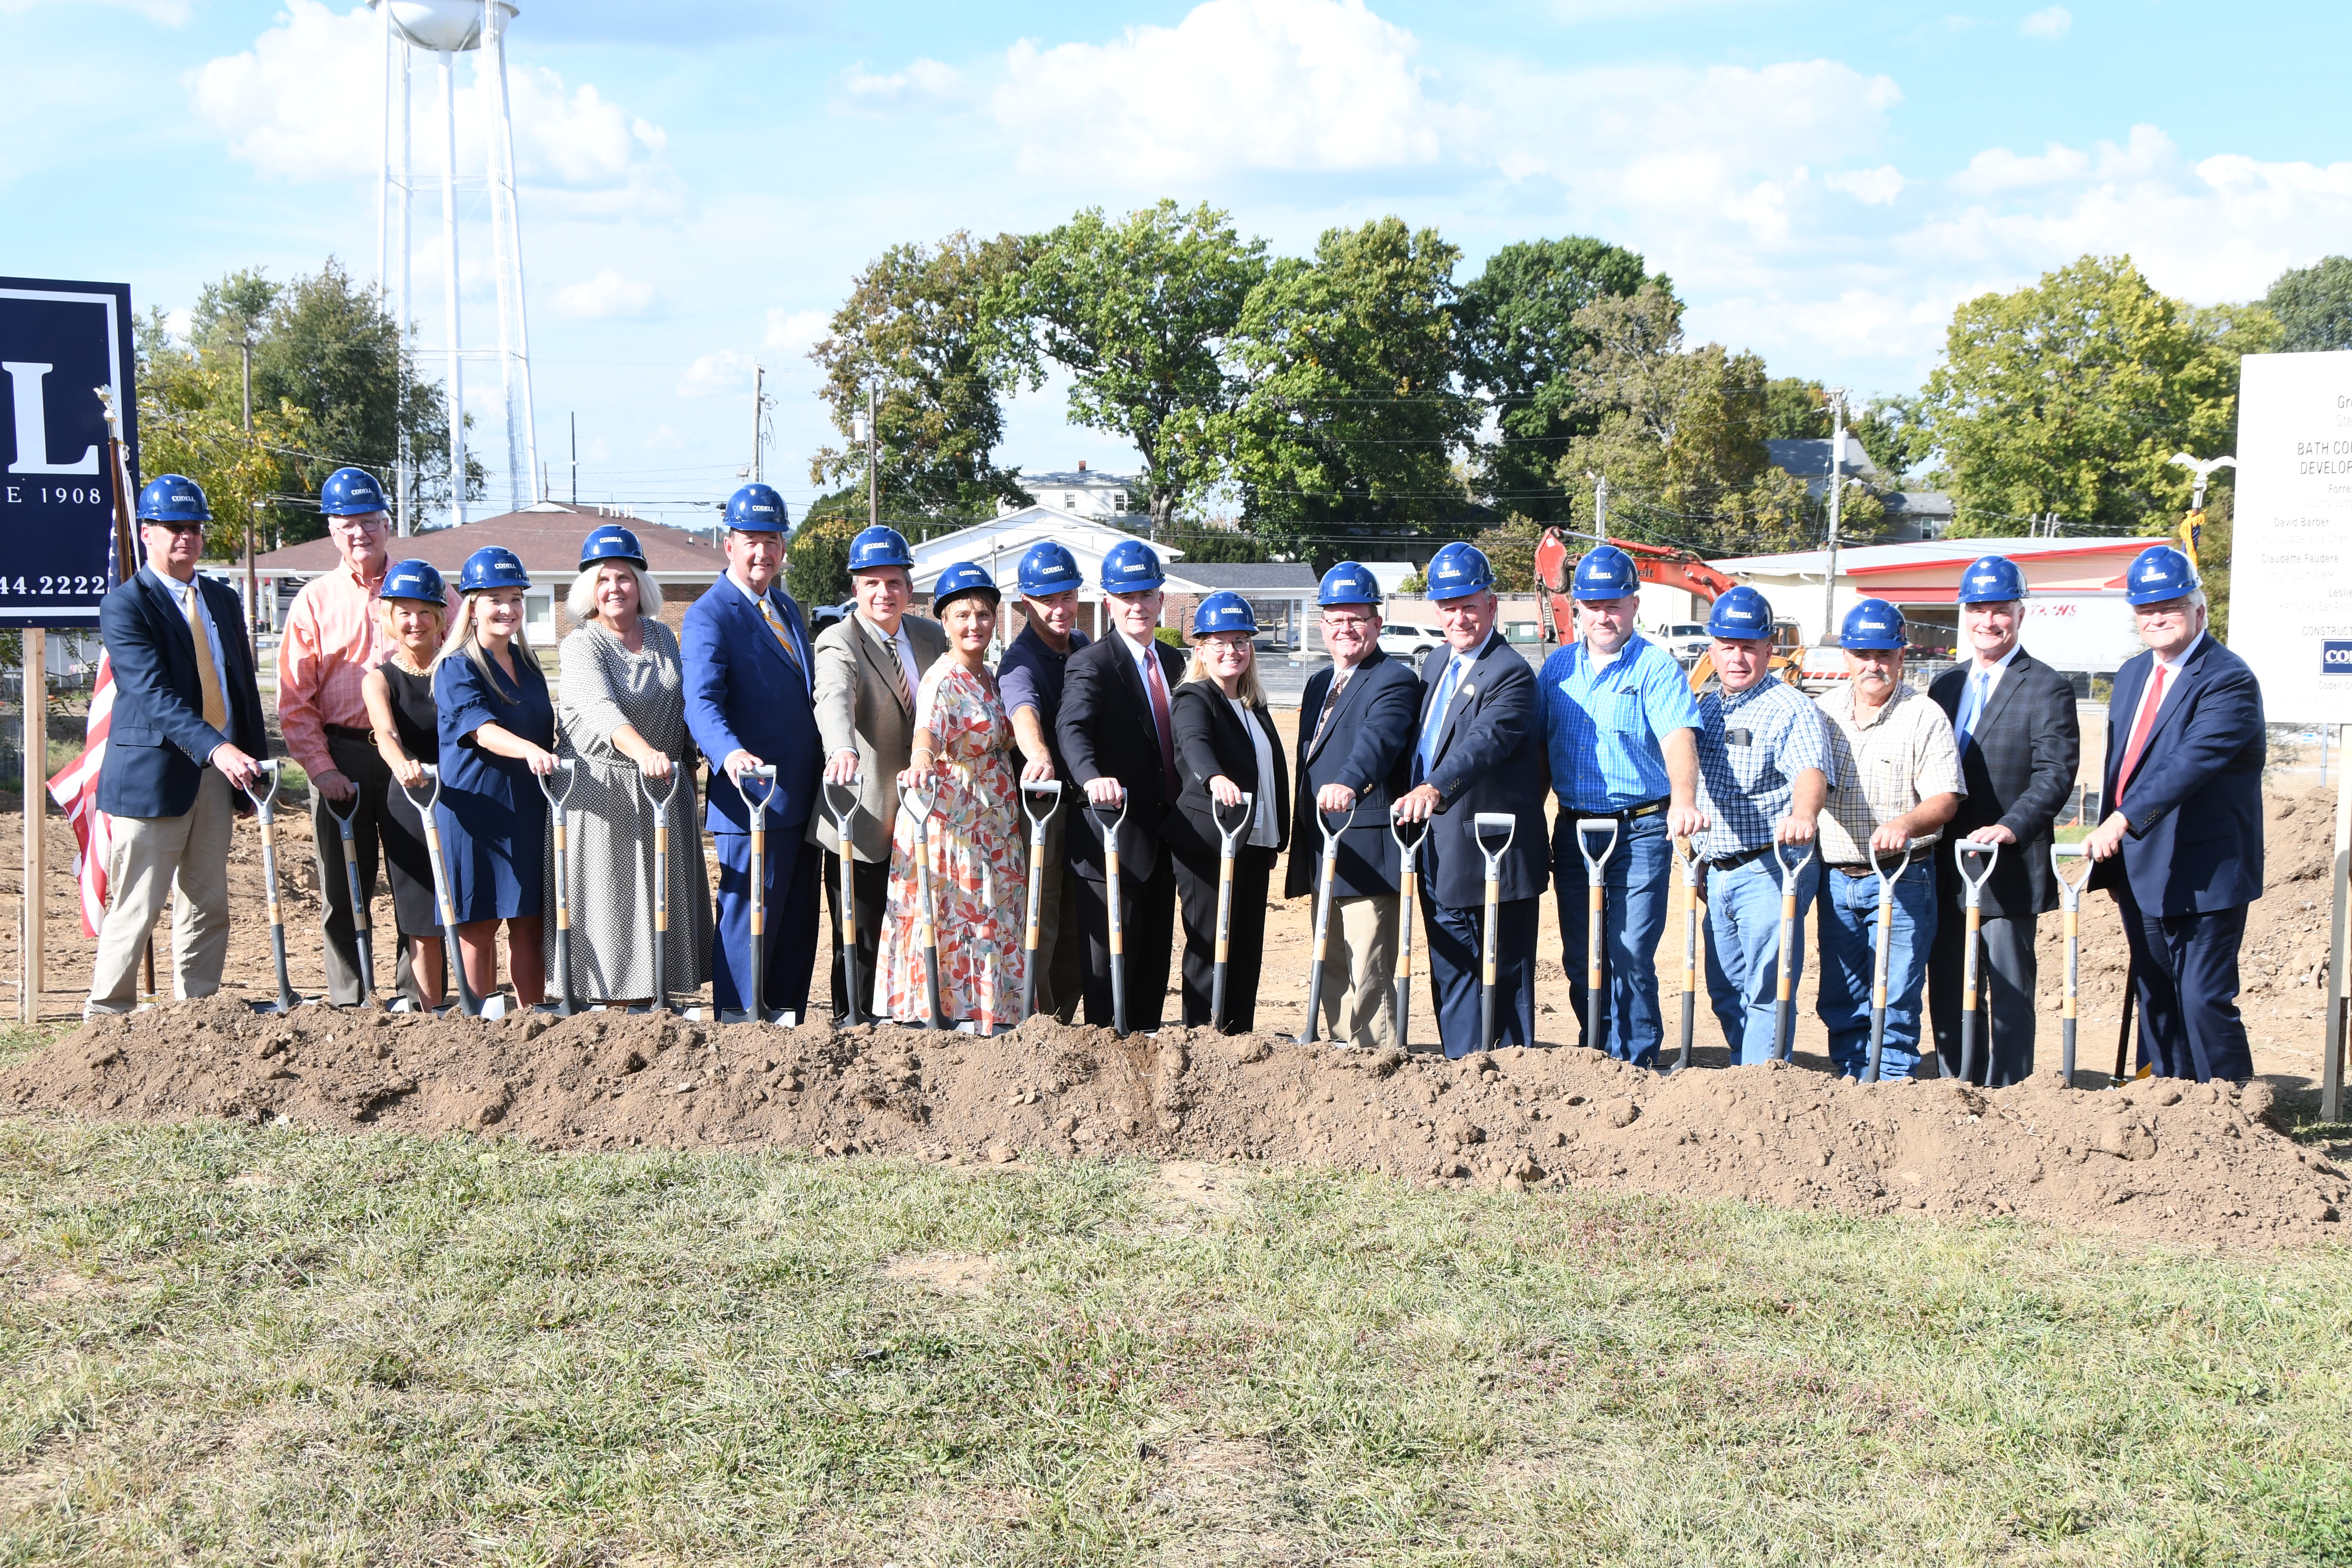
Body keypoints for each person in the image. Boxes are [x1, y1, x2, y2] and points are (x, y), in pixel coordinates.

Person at [85, 475, 269, 1015]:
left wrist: (248, 764)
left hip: (220, 773)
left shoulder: (221, 598)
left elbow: (240, 687)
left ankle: (196, 1015)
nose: (186, 537)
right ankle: (107, 1016)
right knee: (137, 904)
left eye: (194, 528)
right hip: (154, 777)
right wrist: (218, 749)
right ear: (147, 533)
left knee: (209, 903)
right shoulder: (126, 605)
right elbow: (152, 695)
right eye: (173, 527)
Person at [2086, 545, 2263, 1083]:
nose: (2157, 617)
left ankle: (2236, 1115)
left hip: (2204, 871)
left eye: (2171, 605)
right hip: (2142, 869)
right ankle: (2170, 1106)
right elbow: (2123, 767)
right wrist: (2115, 853)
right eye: (2146, 609)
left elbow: (2189, 763)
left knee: (2204, 998)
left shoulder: (2228, 680)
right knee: (2157, 995)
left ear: (2199, 610)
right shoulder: (2135, 674)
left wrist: (2122, 821)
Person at [278, 466, 450, 1007]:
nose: (360, 534)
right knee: (344, 885)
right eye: (348, 524)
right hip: (343, 754)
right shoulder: (314, 601)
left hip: (416, 758)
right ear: (332, 529)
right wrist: (321, 768)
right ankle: (350, 997)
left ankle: (412, 996)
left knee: (415, 881)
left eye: (369, 522)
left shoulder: (425, 584)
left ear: (386, 524)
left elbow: (464, 650)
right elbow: (295, 699)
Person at [1535, 545, 1705, 1067]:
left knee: (1630, 951)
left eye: (1614, 604)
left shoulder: (1656, 668)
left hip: (1640, 831)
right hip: (1576, 830)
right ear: (1578, 609)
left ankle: (1635, 1059)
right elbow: (1540, 747)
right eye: (1592, 605)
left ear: (1634, 605)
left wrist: (1684, 800)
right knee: (1582, 954)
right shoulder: (1558, 669)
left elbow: (1679, 738)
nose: (1603, 615)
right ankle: (1596, 1052)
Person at [1926, 554, 2080, 1086]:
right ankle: (1957, 1084)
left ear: (2020, 613)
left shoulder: (2046, 686)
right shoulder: (1945, 686)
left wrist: (2011, 826)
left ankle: (2013, 1094)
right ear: (1963, 613)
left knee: (2009, 988)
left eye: (2000, 610)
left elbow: (2055, 774)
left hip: (2005, 864)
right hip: (1945, 865)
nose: (1988, 621)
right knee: (1947, 983)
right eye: (1978, 609)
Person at [1394, 542, 1548, 1058]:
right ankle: (1463, 1072)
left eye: (1469, 605)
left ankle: (1509, 1083)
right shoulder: (1436, 662)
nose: (1458, 617)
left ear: (1492, 604)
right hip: (1440, 850)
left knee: (1502, 979)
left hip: (1493, 853)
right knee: (1454, 971)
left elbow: (1484, 743)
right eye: (1448, 606)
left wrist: (1432, 788)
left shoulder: (1511, 672)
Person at [682, 483, 825, 1021]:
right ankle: (740, 1025)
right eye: (751, 540)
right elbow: (701, 702)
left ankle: (785, 1019)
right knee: (749, 918)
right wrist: (731, 754)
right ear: (729, 544)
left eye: (771, 540)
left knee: (794, 920)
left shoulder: (785, 607)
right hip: (753, 798)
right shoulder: (708, 615)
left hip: (802, 796)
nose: (762, 552)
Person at [555, 524, 713, 1004]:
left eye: (624, 577)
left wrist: (688, 765)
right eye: (603, 579)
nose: (614, 588)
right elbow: (601, 709)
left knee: (661, 908)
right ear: (589, 588)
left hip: (663, 790)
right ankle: (613, 1011)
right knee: (616, 910)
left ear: (641, 584)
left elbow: (684, 707)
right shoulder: (582, 645)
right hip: (604, 793)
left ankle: (657, 1005)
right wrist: (644, 752)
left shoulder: (664, 637)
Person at [1811, 599, 1962, 1081]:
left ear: (1901, 657)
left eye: (1885, 655)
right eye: (1863, 654)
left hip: (1901, 875)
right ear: (1847, 658)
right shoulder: (1822, 712)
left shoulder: (1924, 716)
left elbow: (1945, 798)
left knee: (1894, 990)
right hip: (1836, 877)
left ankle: (1892, 1081)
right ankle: (1852, 1075)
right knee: (1841, 989)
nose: (1873, 665)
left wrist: (1906, 825)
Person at [876, 563, 1032, 1025]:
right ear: (944, 621)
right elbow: (927, 731)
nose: (973, 624)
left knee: (996, 913)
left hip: (995, 821)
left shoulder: (990, 675)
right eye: (961, 614)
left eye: (983, 614)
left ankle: (995, 1012)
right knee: (961, 915)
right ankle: (956, 1016)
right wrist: (922, 760)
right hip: (955, 824)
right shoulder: (942, 679)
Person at [1688, 585, 1833, 1066]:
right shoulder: (1705, 708)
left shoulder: (1790, 707)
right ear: (1713, 649)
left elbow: (1810, 772)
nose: (1737, 657)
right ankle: (1747, 1067)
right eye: (1727, 646)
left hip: (1770, 869)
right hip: (1719, 871)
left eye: (1749, 647)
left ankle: (1760, 1084)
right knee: (1725, 985)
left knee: (1767, 985)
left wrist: (1803, 814)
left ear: (1770, 649)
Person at [811, 525, 948, 1020]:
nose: (883, 593)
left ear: (910, 589)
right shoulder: (838, 641)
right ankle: (854, 1022)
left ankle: (916, 1014)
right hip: (864, 814)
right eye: (871, 583)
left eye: (893, 583)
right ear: (856, 590)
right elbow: (834, 698)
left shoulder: (933, 637)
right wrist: (841, 748)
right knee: (859, 932)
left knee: (924, 926)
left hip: (929, 815)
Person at [1285, 562, 1419, 1050]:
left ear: (1377, 624)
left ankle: (1376, 1061)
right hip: (1326, 844)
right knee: (1334, 961)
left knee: (1368, 968)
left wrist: (1348, 782)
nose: (1346, 629)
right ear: (1322, 625)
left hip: (1368, 845)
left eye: (1357, 619)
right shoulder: (1319, 682)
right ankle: (1345, 1057)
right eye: (1336, 619)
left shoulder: (1394, 680)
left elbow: (1377, 742)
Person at [1058, 539, 1188, 1033]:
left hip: (1164, 838)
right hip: (1110, 838)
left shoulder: (1175, 663)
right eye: (1125, 596)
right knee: (1107, 976)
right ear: (1108, 601)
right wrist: (1092, 780)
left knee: (1153, 967)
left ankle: (1150, 1057)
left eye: (1146, 594)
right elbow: (1072, 730)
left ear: (1160, 598)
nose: (1137, 605)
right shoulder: (1090, 663)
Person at [433, 546, 557, 1006]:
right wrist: (530, 751)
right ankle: (480, 1025)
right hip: (477, 813)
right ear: (471, 606)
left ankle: (535, 1021)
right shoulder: (456, 666)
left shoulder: (528, 667)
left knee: (528, 922)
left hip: (527, 807)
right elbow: (482, 731)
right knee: (479, 924)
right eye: (494, 599)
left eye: (515, 598)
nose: (507, 609)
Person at [1171, 592, 1293, 1033]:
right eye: (1219, 642)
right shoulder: (1194, 696)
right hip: (1210, 841)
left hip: (1253, 841)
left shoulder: (1253, 704)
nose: (1231, 651)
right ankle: (1202, 1037)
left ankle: (1238, 1037)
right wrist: (1213, 776)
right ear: (1200, 649)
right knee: (1210, 943)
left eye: (1240, 640)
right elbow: (1193, 741)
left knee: (1245, 947)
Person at [997, 541, 1092, 1022]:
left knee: (1081, 913)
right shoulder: (1019, 661)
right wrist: (1040, 757)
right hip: (1044, 809)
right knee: (1044, 911)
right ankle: (1040, 1019)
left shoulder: (1085, 647)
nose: (1060, 609)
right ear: (1024, 604)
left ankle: (1069, 1014)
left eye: (1068, 596)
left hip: (1090, 806)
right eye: (1047, 599)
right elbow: (1021, 709)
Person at [361, 559, 453, 1009]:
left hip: (462, 798)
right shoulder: (380, 679)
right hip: (412, 802)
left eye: (424, 612)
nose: (414, 622)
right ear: (390, 619)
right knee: (422, 917)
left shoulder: (457, 669)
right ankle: (433, 1013)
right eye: (404, 612)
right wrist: (403, 766)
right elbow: (386, 734)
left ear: (440, 617)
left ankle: (483, 1006)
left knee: (475, 913)